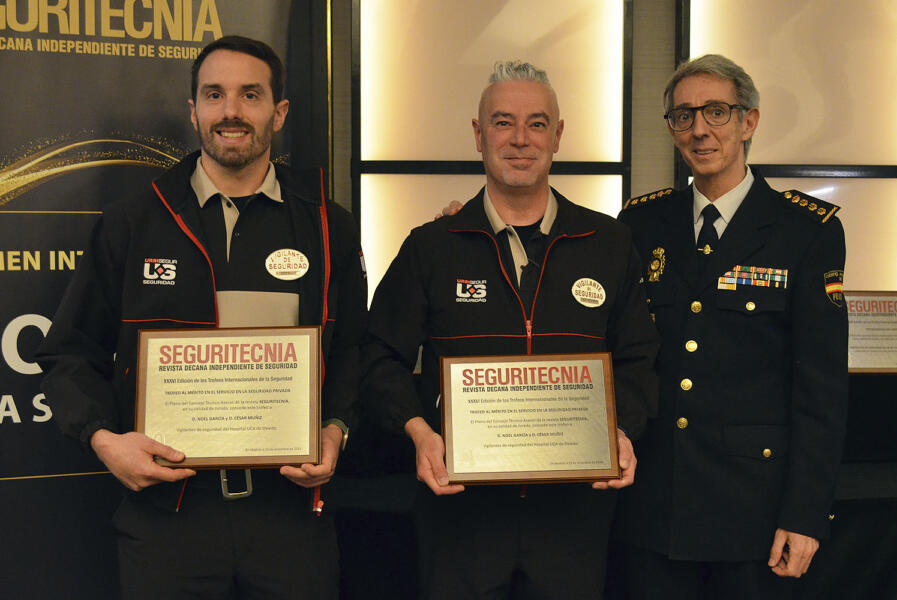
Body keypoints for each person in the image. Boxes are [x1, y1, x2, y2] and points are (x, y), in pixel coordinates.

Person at [36, 35, 366, 599]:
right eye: (214, 95)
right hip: (166, 518)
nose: (231, 111)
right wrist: (103, 440)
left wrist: (335, 430)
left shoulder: (327, 225)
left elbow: (356, 351)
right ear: (194, 110)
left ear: (279, 112)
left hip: (289, 517)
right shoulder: (135, 221)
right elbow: (69, 351)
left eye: (250, 95)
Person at [362, 60, 658, 599]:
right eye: (502, 122)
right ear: (478, 135)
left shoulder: (609, 243)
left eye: (537, 123)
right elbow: (380, 355)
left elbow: (638, 358)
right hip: (460, 514)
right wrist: (418, 432)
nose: (520, 139)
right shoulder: (431, 246)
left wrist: (624, 430)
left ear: (558, 136)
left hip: (575, 514)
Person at [615, 54, 848, 599]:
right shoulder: (640, 223)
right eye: (684, 116)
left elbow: (822, 389)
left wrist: (807, 513)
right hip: (655, 509)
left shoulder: (805, 231)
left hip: (754, 514)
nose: (700, 129)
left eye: (716, 112)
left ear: (749, 121)